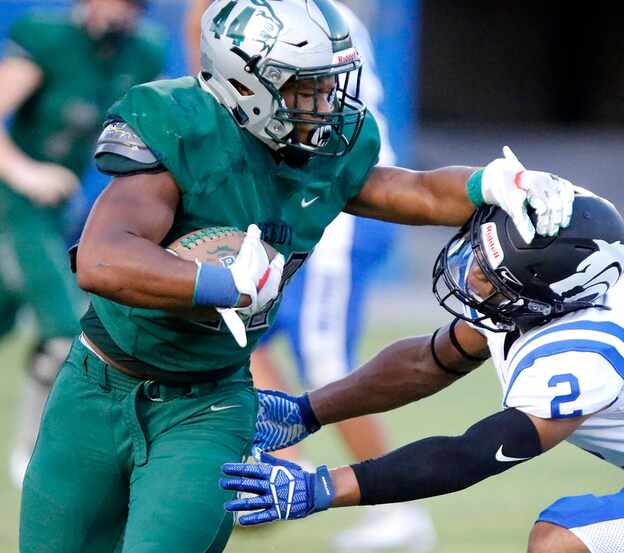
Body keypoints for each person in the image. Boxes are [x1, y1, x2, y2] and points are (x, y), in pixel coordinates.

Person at [18, 1, 575, 552]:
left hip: (206, 404)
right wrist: (221, 286)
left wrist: (494, 184)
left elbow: (414, 190)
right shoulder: (178, 121)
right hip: (95, 384)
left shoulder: (331, 148)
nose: (326, 105)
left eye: (329, 86)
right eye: (305, 88)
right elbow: (103, 259)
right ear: (244, 83)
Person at [222, 190, 624, 553]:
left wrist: (326, 487)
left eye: (493, 274)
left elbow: (475, 453)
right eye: (480, 253)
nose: (472, 275)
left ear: (547, 296)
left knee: (561, 541)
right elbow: (430, 359)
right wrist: (308, 412)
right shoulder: (545, 295)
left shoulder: (587, 348)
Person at [184, 0, 435, 549]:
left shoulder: (306, 23)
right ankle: (275, 458)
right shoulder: (276, 18)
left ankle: (398, 509)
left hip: (339, 206)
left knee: (323, 358)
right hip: (297, 200)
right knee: (238, 326)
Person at [0, 0, 165, 487]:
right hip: (14, 204)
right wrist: (25, 172)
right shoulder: (48, 39)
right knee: (68, 326)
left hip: (61, 210)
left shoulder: (140, 52)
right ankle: (33, 454)